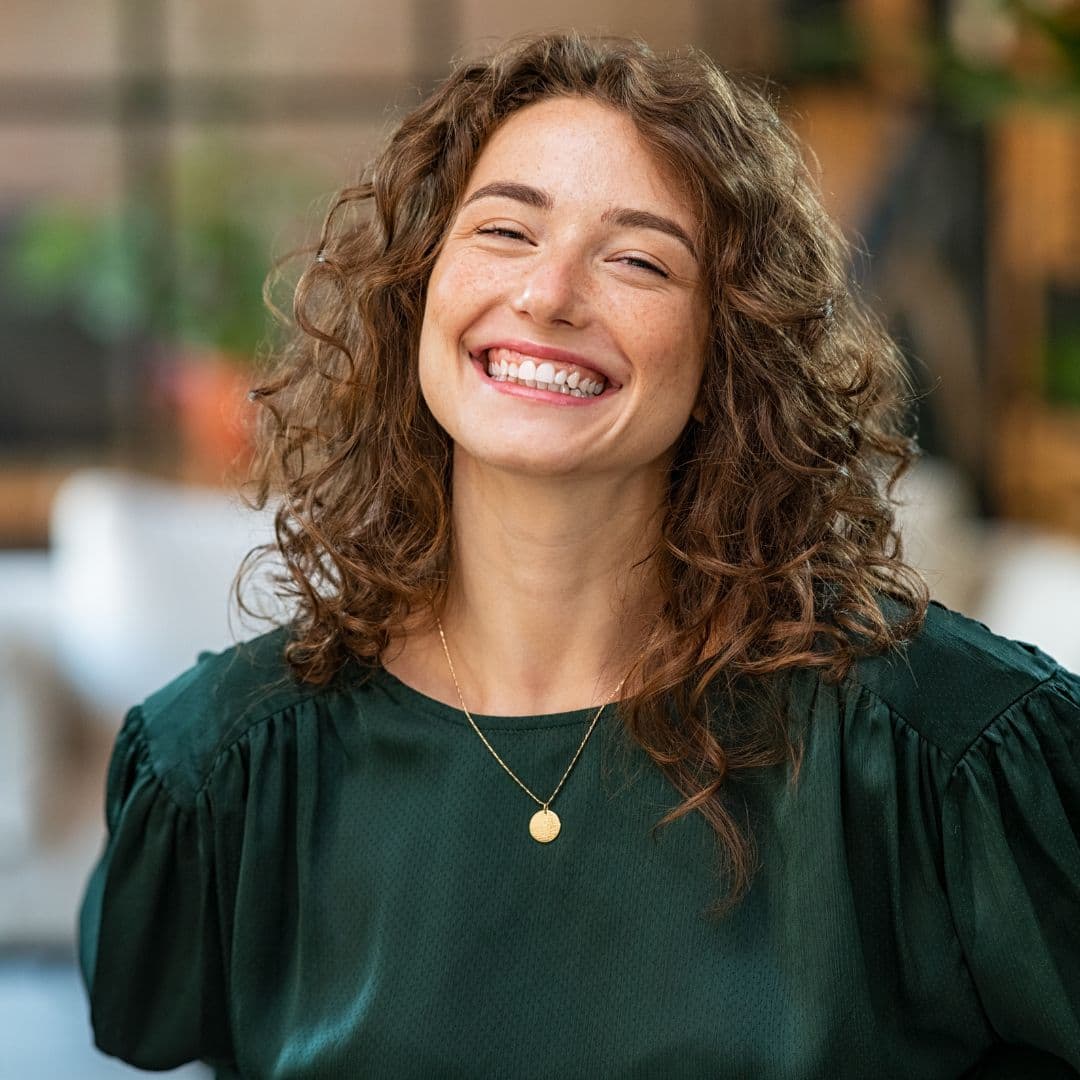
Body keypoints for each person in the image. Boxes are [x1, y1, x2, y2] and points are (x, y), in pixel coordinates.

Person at [78, 31, 1080, 1080]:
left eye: (639, 258)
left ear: (732, 345)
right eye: (506, 230)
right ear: (419, 284)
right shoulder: (223, 768)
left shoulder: (947, 752)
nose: (549, 294)